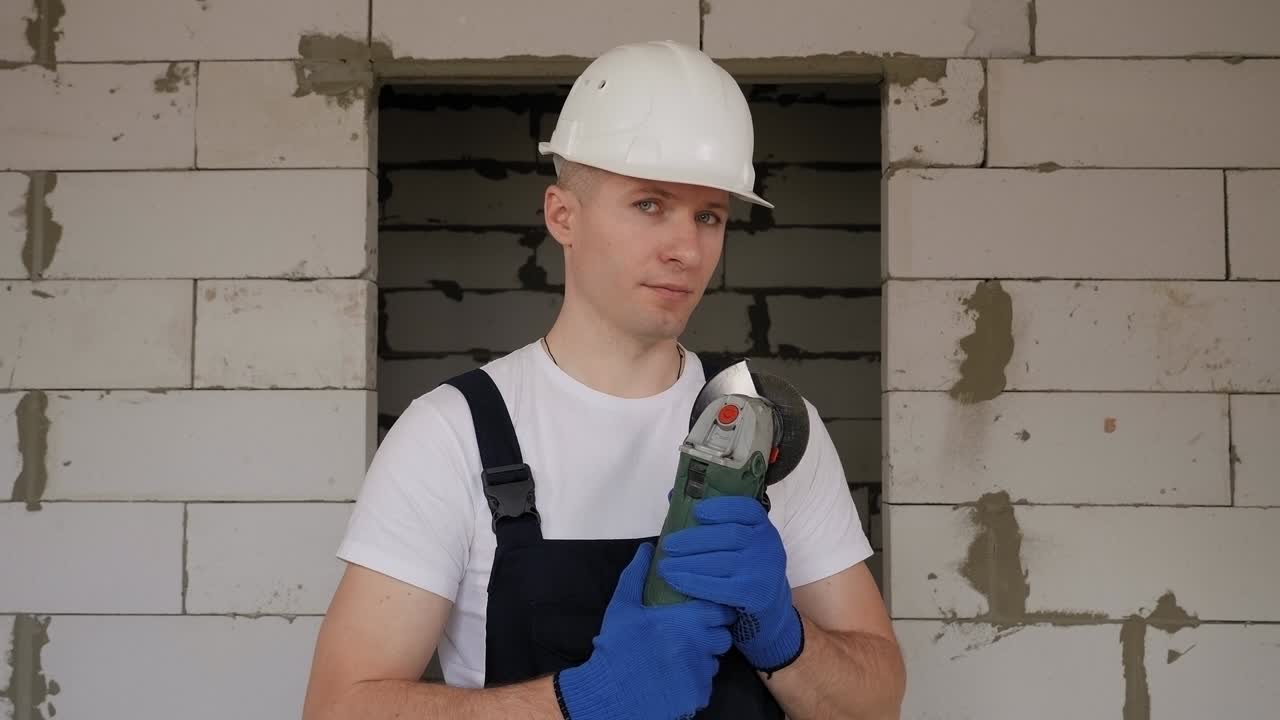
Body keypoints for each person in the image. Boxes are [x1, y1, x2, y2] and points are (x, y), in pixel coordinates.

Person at [302, 39, 906, 720]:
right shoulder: (453, 434)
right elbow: (336, 709)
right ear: (563, 215)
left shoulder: (764, 424)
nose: (685, 247)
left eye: (709, 215)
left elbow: (876, 701)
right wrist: (580, 700)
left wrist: (786, 640)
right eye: (650, 204)